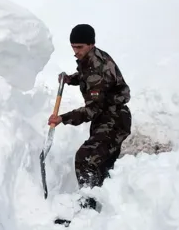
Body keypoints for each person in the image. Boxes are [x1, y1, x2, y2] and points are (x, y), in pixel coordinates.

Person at [48, 23, 131, 210]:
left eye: (79, 47)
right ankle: (101, 204)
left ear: (91, 44)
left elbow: (92, 109)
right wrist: (71, 79)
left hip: (113, 120)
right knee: (101, 164)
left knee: (85, 157)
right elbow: (85, 76)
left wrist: (63, 118)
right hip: (107, 117)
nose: (75, 51)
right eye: (73, 47)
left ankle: (88, 203)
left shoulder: (97, 69)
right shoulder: (92, 59)